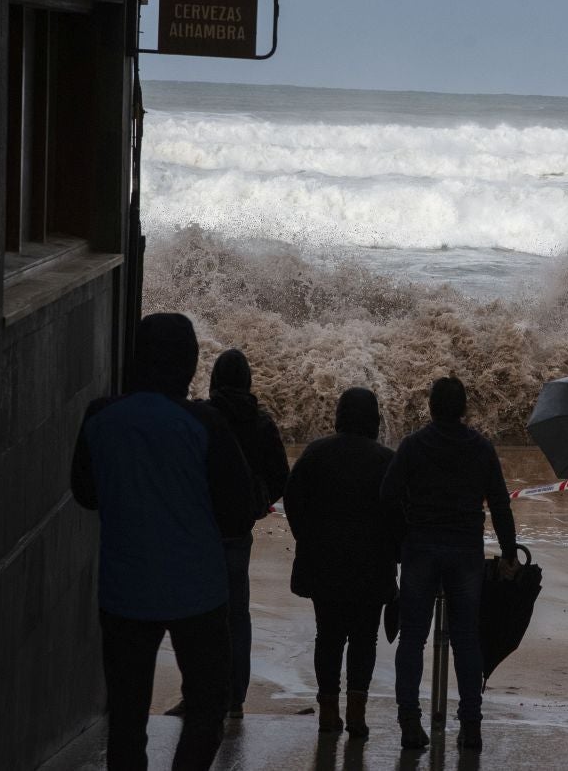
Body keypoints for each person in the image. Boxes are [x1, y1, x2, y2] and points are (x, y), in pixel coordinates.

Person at [71, 313, 256, 771]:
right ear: (189, 363)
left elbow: (85, 493)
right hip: (197, 593)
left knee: (127, 719)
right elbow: (239, 509)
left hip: (124, 590)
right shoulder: (205, 424)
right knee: (207, 709)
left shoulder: (100, 416)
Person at [381, 376, 518, 753]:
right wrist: (509, 553)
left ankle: (409, 720)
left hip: (421, 548)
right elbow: (501, 503)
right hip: (465, 552)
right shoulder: (481, 448)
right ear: (464, 410)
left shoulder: (412, 446)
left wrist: (402, 537)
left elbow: (388, 495)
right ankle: (470, 725)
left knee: (412, 637)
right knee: (466, 639)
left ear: (430, 407)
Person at [166, 348, 289, 720]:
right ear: (248, 381)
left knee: (197, 615)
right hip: (238, 531)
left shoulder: (202, 417)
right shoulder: (262, 423)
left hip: (199, 529)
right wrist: (258, 500)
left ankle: (197, 696)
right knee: (237, 615)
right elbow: (281, 478)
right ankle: (234, 699)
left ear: (215, 379)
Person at [284, 387, 398, 739]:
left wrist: (306, 537)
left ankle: (328, 712)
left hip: (325, 564)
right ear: (374, 420)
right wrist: (394, 553)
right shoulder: (386, 460)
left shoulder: (317, 453)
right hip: (371, 566)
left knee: (328, 636)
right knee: (365, 638)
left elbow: (292, 499)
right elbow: (398, 514)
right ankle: (357, 713)